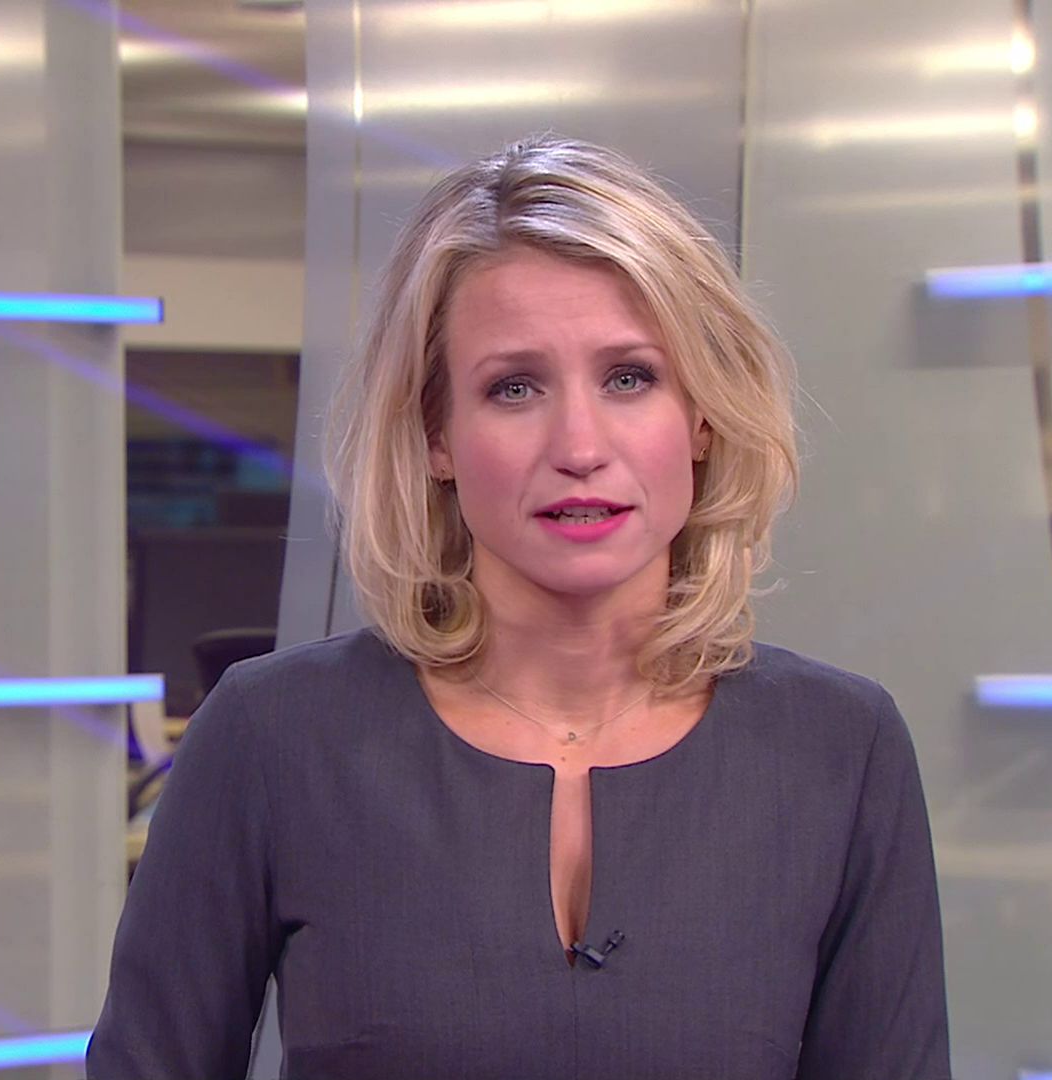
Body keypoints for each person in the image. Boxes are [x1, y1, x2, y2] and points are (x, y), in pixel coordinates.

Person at [87, 134, 951, 1079]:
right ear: (437, 435)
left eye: (630, 378)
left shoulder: (840, 749)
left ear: (702, 415)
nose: (579, 446)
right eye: (514, 388)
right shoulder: (271, 738)